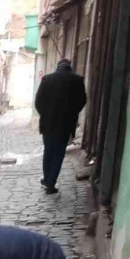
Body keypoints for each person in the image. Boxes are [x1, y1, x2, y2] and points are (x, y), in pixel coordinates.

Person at [34, 59, 86, 194]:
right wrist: (72, 113)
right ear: (70, 67)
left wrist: (45, 114)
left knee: (48, 151)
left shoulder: (47, 79)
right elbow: (82, 101)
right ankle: (50, 182)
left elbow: (38, 101)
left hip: (48, 123)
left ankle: (47, 180)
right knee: (58, 153)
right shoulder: (77, 80)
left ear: (58, 67)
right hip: (66, 124)